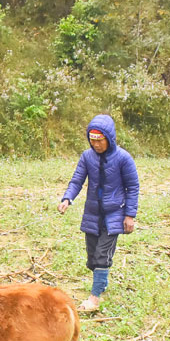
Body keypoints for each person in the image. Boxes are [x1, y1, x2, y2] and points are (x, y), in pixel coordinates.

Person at [58, 114, 139, 311]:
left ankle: (94, 298)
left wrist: (129, 215)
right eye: (92, 140)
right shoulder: (87, 157)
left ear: (109, 138)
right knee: (93, 258)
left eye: (100, 140)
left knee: (102, 255)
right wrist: (67, 198)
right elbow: (77, 180)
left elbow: (132, 187)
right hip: (92, 214)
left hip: (114, 215)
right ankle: (101, 281)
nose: (96, 144)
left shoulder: (123, 158)